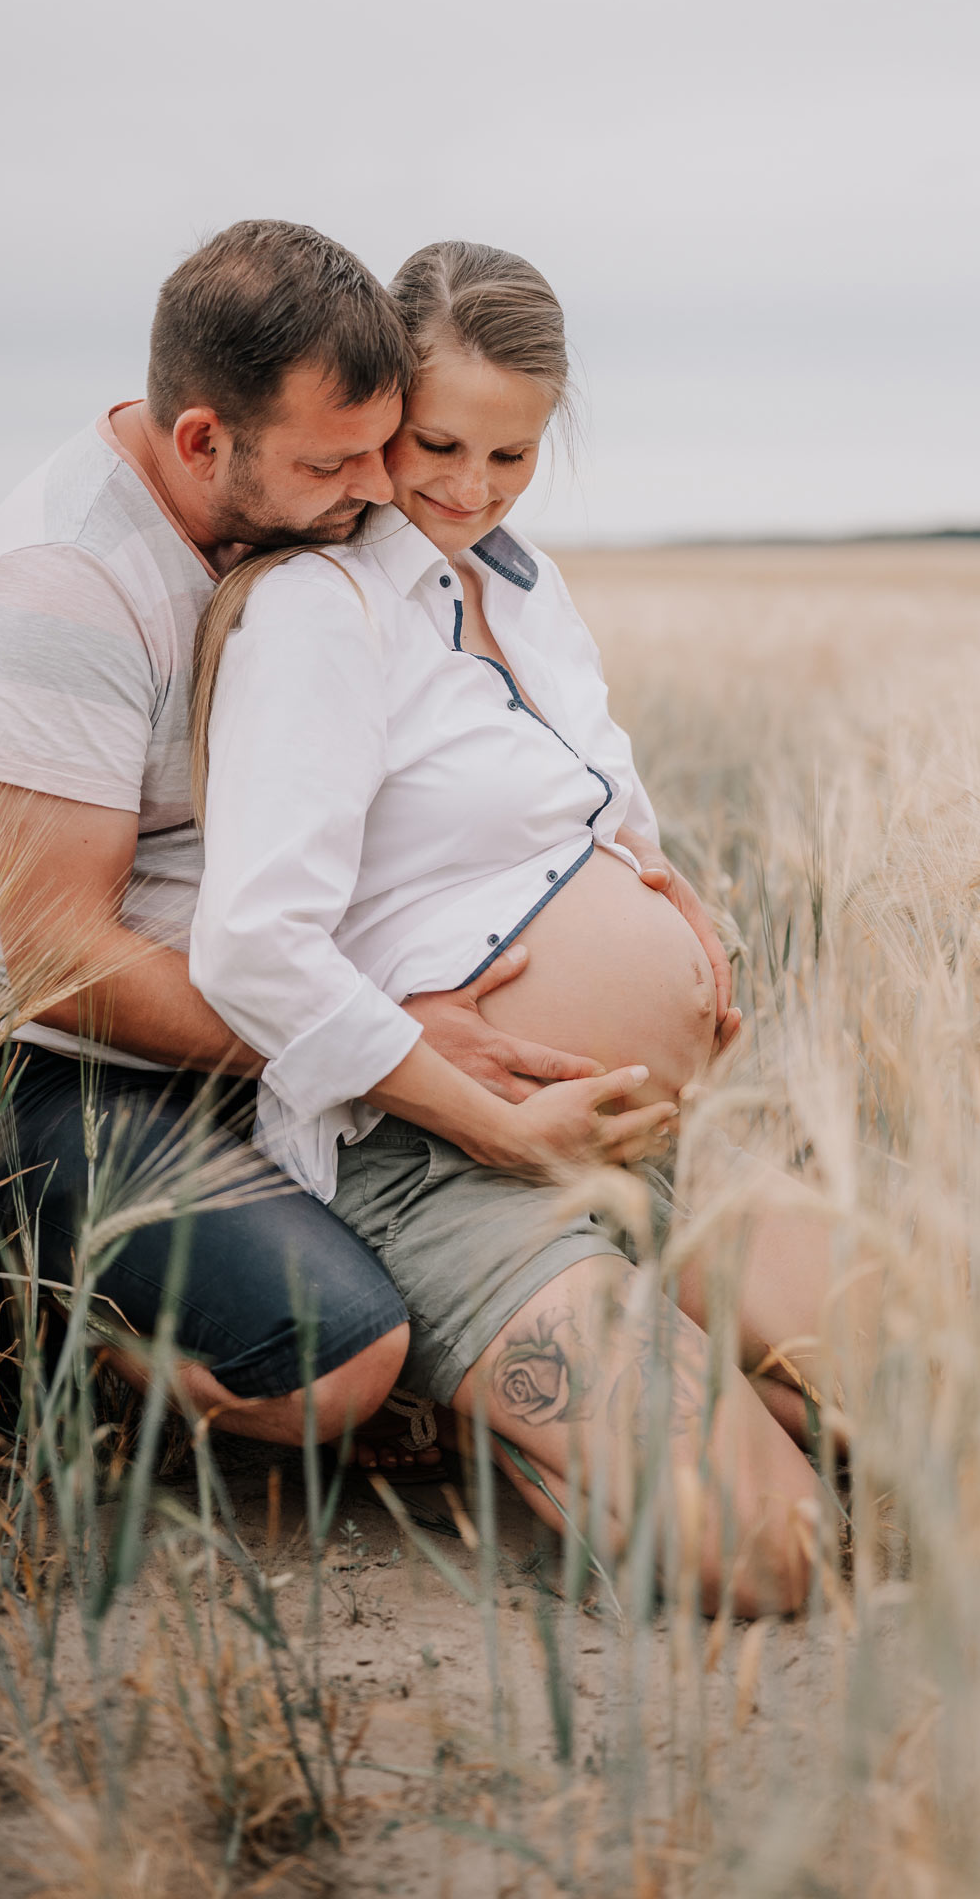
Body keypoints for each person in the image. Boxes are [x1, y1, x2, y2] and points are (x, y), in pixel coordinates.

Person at [0, 221, 614, 1459]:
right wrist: (379, 1047)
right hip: (29, 1067)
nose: (378, 491)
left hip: (220, 1030)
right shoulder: (69, 582)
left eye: (381, 447)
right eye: (333, 463)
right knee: (338, 1359)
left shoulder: (280, 524)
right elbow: (59, 958)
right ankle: (19, 1310)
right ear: (204, 439)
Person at [188, 242, 834, 1613]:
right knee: (774, 1549)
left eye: (512, 456)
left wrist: (678, 927)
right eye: (436, 444)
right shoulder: (319, 614)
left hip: (650, 1133)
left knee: (936, 1399)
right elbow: (249, 944)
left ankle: (656, 1343)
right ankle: (489, 1408)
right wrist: (497, 1123)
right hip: (446, 1161)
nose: (469, 489)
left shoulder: (525, 589)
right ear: (379, 410)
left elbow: (604, 816)